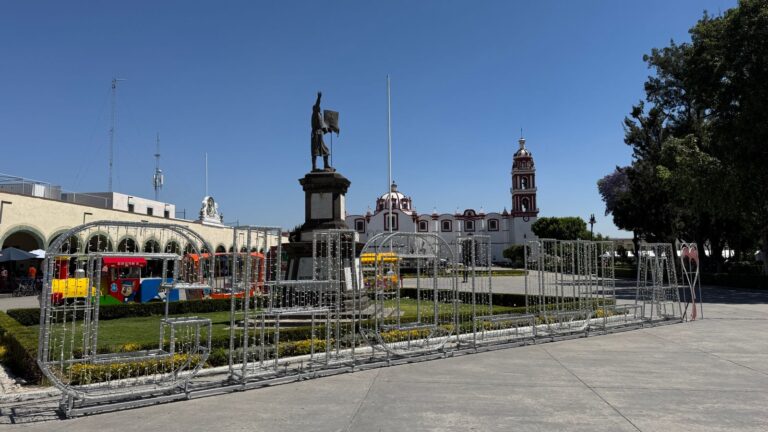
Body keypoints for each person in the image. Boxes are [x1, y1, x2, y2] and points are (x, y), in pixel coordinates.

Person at [311, 91, 331, 171]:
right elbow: (317, 105)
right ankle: (314, 167)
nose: (319, 107)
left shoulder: (320, 115)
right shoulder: (315, 113)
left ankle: (326, 165)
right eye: (317, 107)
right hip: (315, 134)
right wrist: (319, 98)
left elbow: (323, 128)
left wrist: (328, 130)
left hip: (320, 134)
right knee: (315, 151)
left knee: (326, 150)